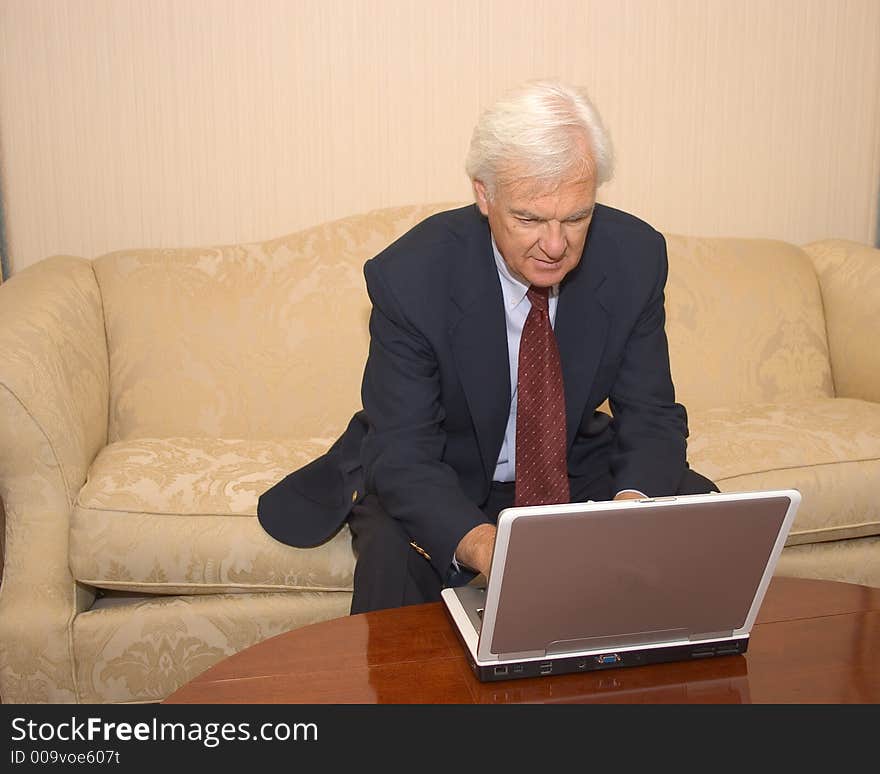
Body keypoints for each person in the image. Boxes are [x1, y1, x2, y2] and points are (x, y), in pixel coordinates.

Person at [257, 79, 717, 614]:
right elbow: (404, 452)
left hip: (567, 459)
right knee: (391, 554)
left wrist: (629, 514)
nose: (554, 244)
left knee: (702, 522)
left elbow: (652, 417)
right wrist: (487, 547)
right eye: (529, 218)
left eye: (576, 217)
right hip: (442, 465)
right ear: (484, 194)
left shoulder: (634, 257)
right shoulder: (411, 276)